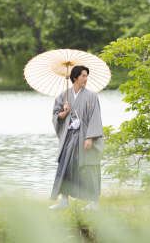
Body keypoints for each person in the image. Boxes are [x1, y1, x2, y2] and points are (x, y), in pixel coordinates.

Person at [49, 65, 104, 210]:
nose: (86, 78)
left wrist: (90, 137)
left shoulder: (91, 96)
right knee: (65, 166)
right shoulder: (63, 96)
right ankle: (64, 201)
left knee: (88, 167)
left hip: (85, 137)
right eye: (83, 76)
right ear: (75, 77)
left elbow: (95, 118)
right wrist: (64, 113)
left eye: (87, 76)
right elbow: (55, 116)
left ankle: (93, 203)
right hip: (69, 137)